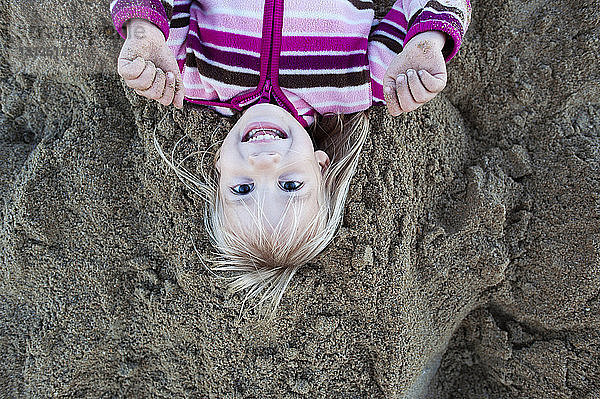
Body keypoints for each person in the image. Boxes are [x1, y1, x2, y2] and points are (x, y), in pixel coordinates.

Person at [110, 0, 471, 315]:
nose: (264, 163)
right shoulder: (361, 83)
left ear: (218, 170)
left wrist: (143, 33)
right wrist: (424, 44)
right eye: (290, 184)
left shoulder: (186, 76)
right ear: (319, 165)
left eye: (242, 188)